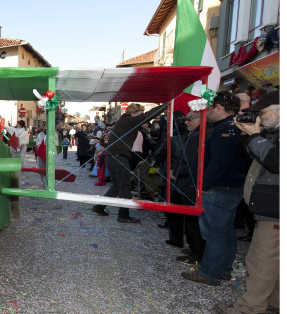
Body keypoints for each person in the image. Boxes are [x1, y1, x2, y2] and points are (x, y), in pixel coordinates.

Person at [216, 90, 279, 314]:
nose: (260, 118)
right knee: (274, 261)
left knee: (261, 261)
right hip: (273, 208)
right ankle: (274, 301)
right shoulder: (273, 133)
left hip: (275, 211)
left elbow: (276, 161)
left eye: (262, 113)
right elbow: (255, 155)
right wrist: (248, 136)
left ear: (279, 109)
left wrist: (255, 137)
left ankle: (250, 308)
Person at [181, 92, 248, 286]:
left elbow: (219, 163)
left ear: (218, 107)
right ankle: (223, 269)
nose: (207, 112)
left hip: (219, 188)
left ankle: (210, 272)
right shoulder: (233, 126)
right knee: (225, 231)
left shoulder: (224, 129)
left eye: (210, 108)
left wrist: (203, 186)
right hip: (230, 187)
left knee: (213, 233)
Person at [92, 103, 165, 223]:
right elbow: (148, 116)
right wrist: (165, 106)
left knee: (116, 186)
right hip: (119, 158)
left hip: (112, 158)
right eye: (139, 114)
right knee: (125, 186)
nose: (140, 117)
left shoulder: (124, 121)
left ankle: (99, 207)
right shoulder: (129, 120)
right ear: (134, 114)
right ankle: (123, 215)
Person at [164, 111, 203, 255]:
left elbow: (192, 162)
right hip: (183, 180)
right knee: (186, 216)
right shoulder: (193, 135)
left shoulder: (198, 135)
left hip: (187, 182)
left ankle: (197, 251)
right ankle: (193, 246)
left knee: (192, 219)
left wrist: (175, 172)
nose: (186, 122)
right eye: (185, 119)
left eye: (190, 119)